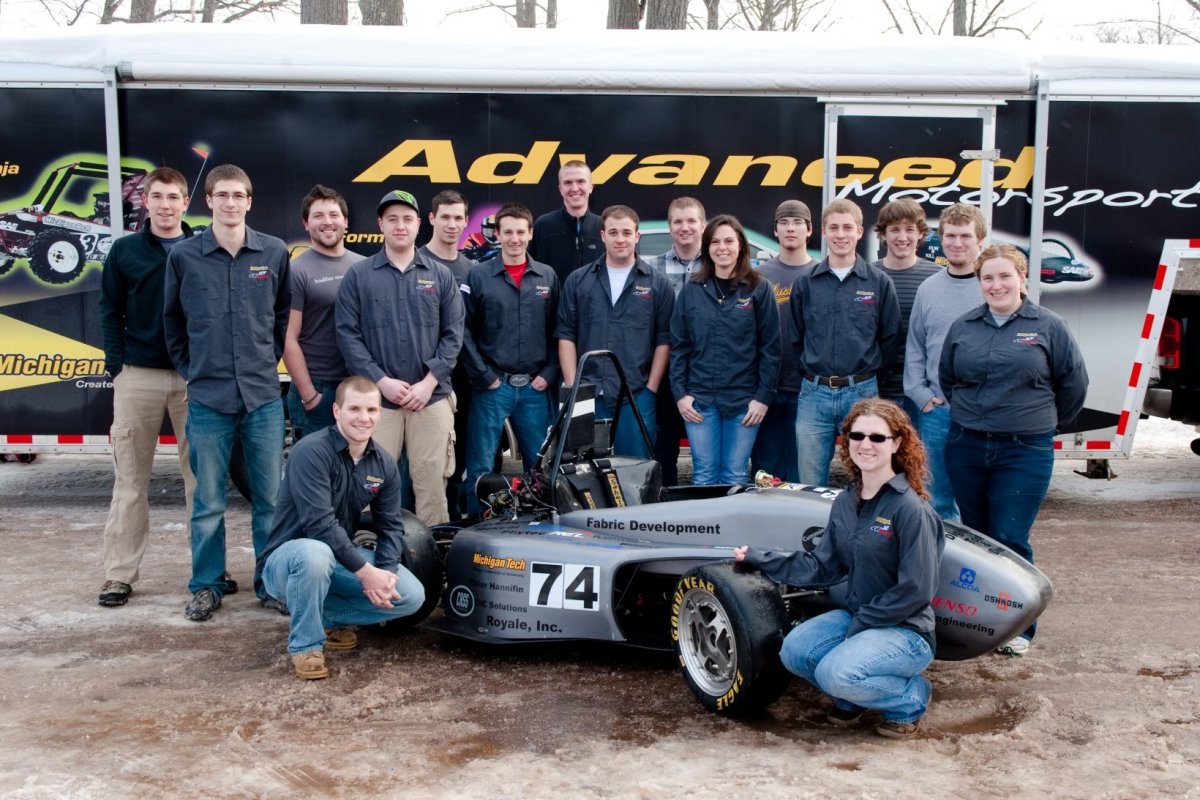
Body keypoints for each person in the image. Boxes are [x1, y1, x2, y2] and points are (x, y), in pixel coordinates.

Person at [735, 398, 944, 739]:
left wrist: (861, 624)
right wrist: (761, 558)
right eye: (856, 435)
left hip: (905, 630)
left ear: (897, 442)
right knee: (794, 651)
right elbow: (823, 567)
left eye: (878, 437)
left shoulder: (910, 509)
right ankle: (855, 696)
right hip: (859, 617)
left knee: (836, 673)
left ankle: (909, 699)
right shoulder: (847, 501)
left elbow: (916, 590)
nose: (865, 445)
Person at [940, 243, 1089, 656]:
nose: (996, 284)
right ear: (979, 282)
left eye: (1005, 276)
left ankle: (1020, 629)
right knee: (975, 537)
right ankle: (976, 623)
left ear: (1022, 278)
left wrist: (1041, 422)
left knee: (1009, 537)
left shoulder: (1049, 326)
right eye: (988, 277)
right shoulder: (964, 326)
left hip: (1024, 450)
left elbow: (1074, 385)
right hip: (967, 445)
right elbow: (948, 378)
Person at [163, 163, 291, 621]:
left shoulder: (273, 253)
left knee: (271, 499)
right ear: (209, 201)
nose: (231, 203)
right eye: (223, 195)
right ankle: (207, 585)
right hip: (209, 399)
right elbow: (172, 323)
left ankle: (270, 583)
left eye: (239, 195)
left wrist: (262, 362)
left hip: (261, 398)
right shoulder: (184, 256)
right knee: (208, 500)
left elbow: (280, 320)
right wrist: (194, 371)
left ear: (250, 201)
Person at [259, 376, 426, 680]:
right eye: (355, 409)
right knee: (315, 552)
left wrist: (385, 573)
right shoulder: (311, 452)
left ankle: (324, 617)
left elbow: (390, 526)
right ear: (337, 411)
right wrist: (366, 573)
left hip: (333, 560)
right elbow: (319, 524)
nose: (364, 418)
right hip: (287, 562)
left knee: (412, 596)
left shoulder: (383, 464)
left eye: (372, 410)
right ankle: (306, 645)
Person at [97, 166, 199, 607]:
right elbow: (108, 311)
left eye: (173, 197)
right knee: (131, 481)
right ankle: (119, 575)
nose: (164, 204)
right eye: (156, 196)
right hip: (138, 376)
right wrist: (118, 367)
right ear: (146, 202)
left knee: (201, 480)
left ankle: (207, 572)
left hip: (194, 379)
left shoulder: (203, 249)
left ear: (185, 203)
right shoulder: (125, 252)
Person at [335, 189, 464, 526]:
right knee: (369, 484)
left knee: (432, 483)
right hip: (378, 404)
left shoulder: (440, 276)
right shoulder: (359, 276)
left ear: (419, 224)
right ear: (381, 224)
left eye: (407, 219)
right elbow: (348, 336)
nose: (400, 226)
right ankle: (366, 555)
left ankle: (435, 565)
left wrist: (428, 382)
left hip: (431, 399)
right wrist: (381, 382)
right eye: (392, 219)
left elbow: (453, 335)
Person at [790, 199, 900, 486]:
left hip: (862, 392)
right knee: (810, 482)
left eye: (847, 227)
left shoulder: (878, 282)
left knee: (867, 478)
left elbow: (889, 338)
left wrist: (870, 376)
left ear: (860, 232)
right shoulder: (806, 283)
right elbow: (794, 337)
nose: (841, 234)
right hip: (814, 394)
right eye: (834, 228)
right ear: (824, 232)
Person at [461, 203, 559, 515]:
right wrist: (483, 375)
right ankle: (477, 525)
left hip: (534, 387)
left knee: (538, 466)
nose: (514, 239)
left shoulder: (547, 276)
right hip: (492, 386)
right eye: (508, 232)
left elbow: (561, 329)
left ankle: (538, 523)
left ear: (530, 233)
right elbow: (462, 331)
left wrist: (550, 371)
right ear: (498, 235)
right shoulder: (478, 276)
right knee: (479, 465)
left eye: (520, 232)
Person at [556, 205, 673, 460]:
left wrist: (651, 387)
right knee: (581, 468)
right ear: (603, 236)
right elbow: (566, 335)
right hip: (586, 391)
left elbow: (664, 340)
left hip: (636, 393)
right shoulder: (578, 281)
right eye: (613, 232)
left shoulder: (657, 283)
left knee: (635, 468)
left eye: (626, 233)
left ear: (637, 236)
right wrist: (572, 385)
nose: (620, 239)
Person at [669, 215, 779, 484]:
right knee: (704, 475)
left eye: (729, 240)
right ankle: (704, 528)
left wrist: (762, 398)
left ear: (741, 245)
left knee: (734, 475)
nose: (722, 247)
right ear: (706, 247)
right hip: (699, 401)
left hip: (744, 402)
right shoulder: (692, 290)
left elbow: (771, 348)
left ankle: (732, 528)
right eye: (715, 241)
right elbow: (679, 347)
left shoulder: (758, 289)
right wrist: (681, 395)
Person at [904, 203, 988, 521]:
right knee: (936, 497)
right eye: (950, 235)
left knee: (978, 496)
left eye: (965, 236)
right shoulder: (929, 289)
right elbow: (916, 347)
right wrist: (922, 397)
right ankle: (942, 562)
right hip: (937, 411)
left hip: (983, 413)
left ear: (980, 239)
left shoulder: (992, 286)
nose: (957, 243)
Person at [283, 185, 363, 441]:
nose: (327, 222)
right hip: (319, 387)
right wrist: (309, 396)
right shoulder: (297, 271)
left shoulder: (364, 267)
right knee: (317, 474)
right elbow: (287, 338)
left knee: (356, 470)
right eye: (318, 216)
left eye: (333, 214)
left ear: (345, 221)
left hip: (359, 385)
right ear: (306, 223)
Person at [418, 190, 475, 520]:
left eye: (458, 218)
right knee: (423, 465)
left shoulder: (473, 269)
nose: (452, 224)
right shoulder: (416, 262)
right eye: (446, 217)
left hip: (465, 382)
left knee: (458, 460)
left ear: (466, 221)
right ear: (432, 218)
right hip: (425, 383)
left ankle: (454, 526)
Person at [750, 199, 817, 483]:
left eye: (797, 222)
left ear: (809, 230)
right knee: (766, 471)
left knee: (801, 471)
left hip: (807, 389)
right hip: (767, 388)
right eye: (784, 223)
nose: (791, 228)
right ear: (775, 231)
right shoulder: (759, 276)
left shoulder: (820, 274)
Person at [651, 197, 705, 484]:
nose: (685, 228)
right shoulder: (652, 269)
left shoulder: (719, 265)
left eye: (691, 221)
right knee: (663, 451)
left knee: (705, 456)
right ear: (670, 227)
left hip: (705, 375)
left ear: (703, 225)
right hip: (665, 374)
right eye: (678, 222)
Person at [870, 199, 940, 418]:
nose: (902, 237)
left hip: (924, 395)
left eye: (910, 229)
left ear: (921, 233)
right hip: (876, 392)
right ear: (883, 234)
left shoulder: (937, 278)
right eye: (894, 230)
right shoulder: (866, 277)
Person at [530, 160, 603, 285]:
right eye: (568, 182)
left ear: (591, 187)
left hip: (594, 304)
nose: (575, 188)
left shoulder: (604, 226)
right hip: (554, 304)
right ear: (560, 189)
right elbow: (530, 272)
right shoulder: (543, 225)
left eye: (581, 181)